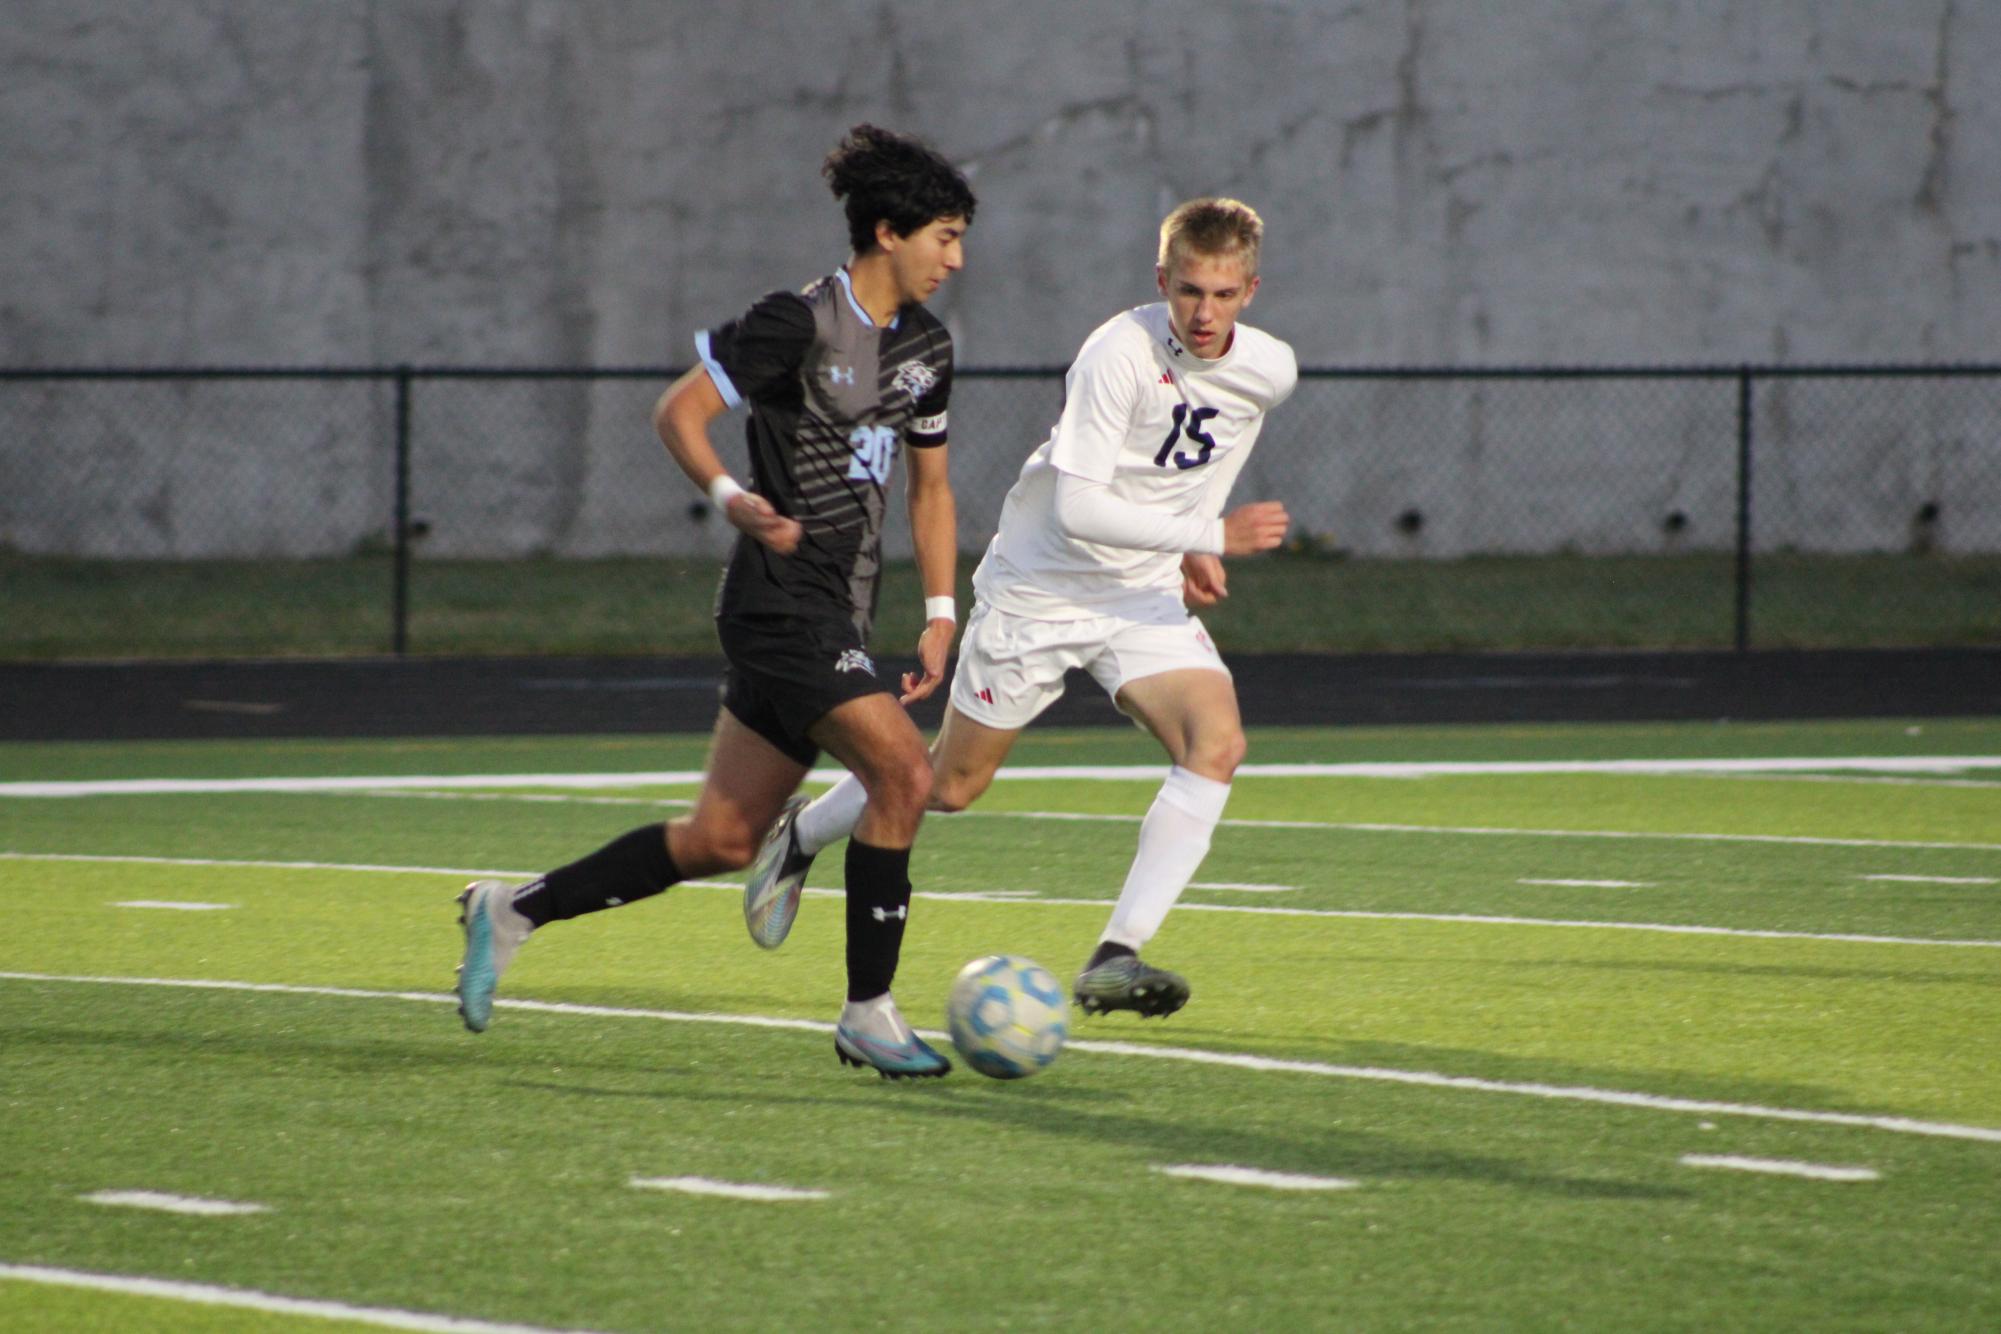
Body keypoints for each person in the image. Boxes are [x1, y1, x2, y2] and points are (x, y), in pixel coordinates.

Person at [454, 124, 975, 1079]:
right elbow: (678, 411)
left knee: (721, 840)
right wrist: (732, 498)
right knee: (905, 774)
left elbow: (930, 489)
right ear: (888, 231)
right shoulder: (797, 321)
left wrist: (942, 611)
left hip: (839, 612)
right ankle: (869, 1011)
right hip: (779, 604)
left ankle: (512, 910)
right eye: (944, 235)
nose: (956, 257)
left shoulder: (929, 348)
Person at [745, 197, 1295, 1020]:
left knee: (1216, 744)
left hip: (1138, 592)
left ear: (1250, 290)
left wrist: (1192, 544)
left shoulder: (1269, 367)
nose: (1203, 312)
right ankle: (800, 834)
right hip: (1041, 585)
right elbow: (1079, 510)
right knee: (949, 786)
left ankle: (1115, 954)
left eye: (1221, 295)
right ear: (1161, 280)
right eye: (1187, 291)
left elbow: (1222, 440)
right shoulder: (1117, 353)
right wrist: (1212, 528)